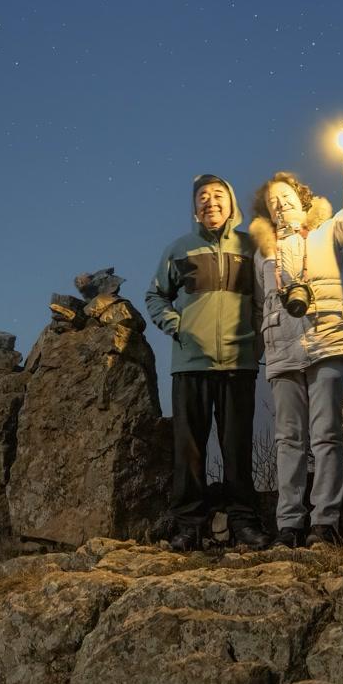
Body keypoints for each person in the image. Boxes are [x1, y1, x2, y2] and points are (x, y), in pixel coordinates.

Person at [250, 123, 343, 547]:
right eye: (272, 204)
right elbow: (259, 304)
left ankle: (326, 522)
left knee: (325, 436)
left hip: (326, 343)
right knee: (288, 441)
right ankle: (289, 525)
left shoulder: (327, 232)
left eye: (285, 199)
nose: (280, 207)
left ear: (301, 201)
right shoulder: (263, 255)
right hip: (282, 352)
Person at [146, 174, 270, 552]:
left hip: (238, 363)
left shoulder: (252, 247)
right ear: (194, 208)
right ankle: (189, 526)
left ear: (231, 204)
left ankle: (243, 523)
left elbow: (266, 301)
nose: (209, 201)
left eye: (218, 195)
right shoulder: (178, 248)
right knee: (189, 451)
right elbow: (155, 296)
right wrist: (177, 325)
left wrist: (258, 343)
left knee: (237, 448)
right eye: (202, 196)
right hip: (189, 365)